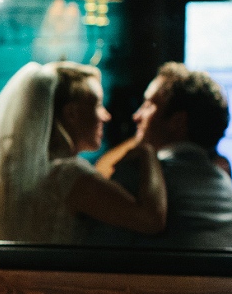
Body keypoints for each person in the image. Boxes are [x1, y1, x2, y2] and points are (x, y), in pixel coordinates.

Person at [0, 61, 166, 244]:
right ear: (72, 114)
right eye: (97, 105)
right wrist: (148, 151)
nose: (105, 116)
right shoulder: (69, 175)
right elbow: (150, 219)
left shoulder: (13, 170)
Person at [88, 62, 232, 250]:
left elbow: (100, 251)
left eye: (148, 105)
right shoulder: (223, 182)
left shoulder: (139, 175)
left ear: (177, 121)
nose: (136, 116)